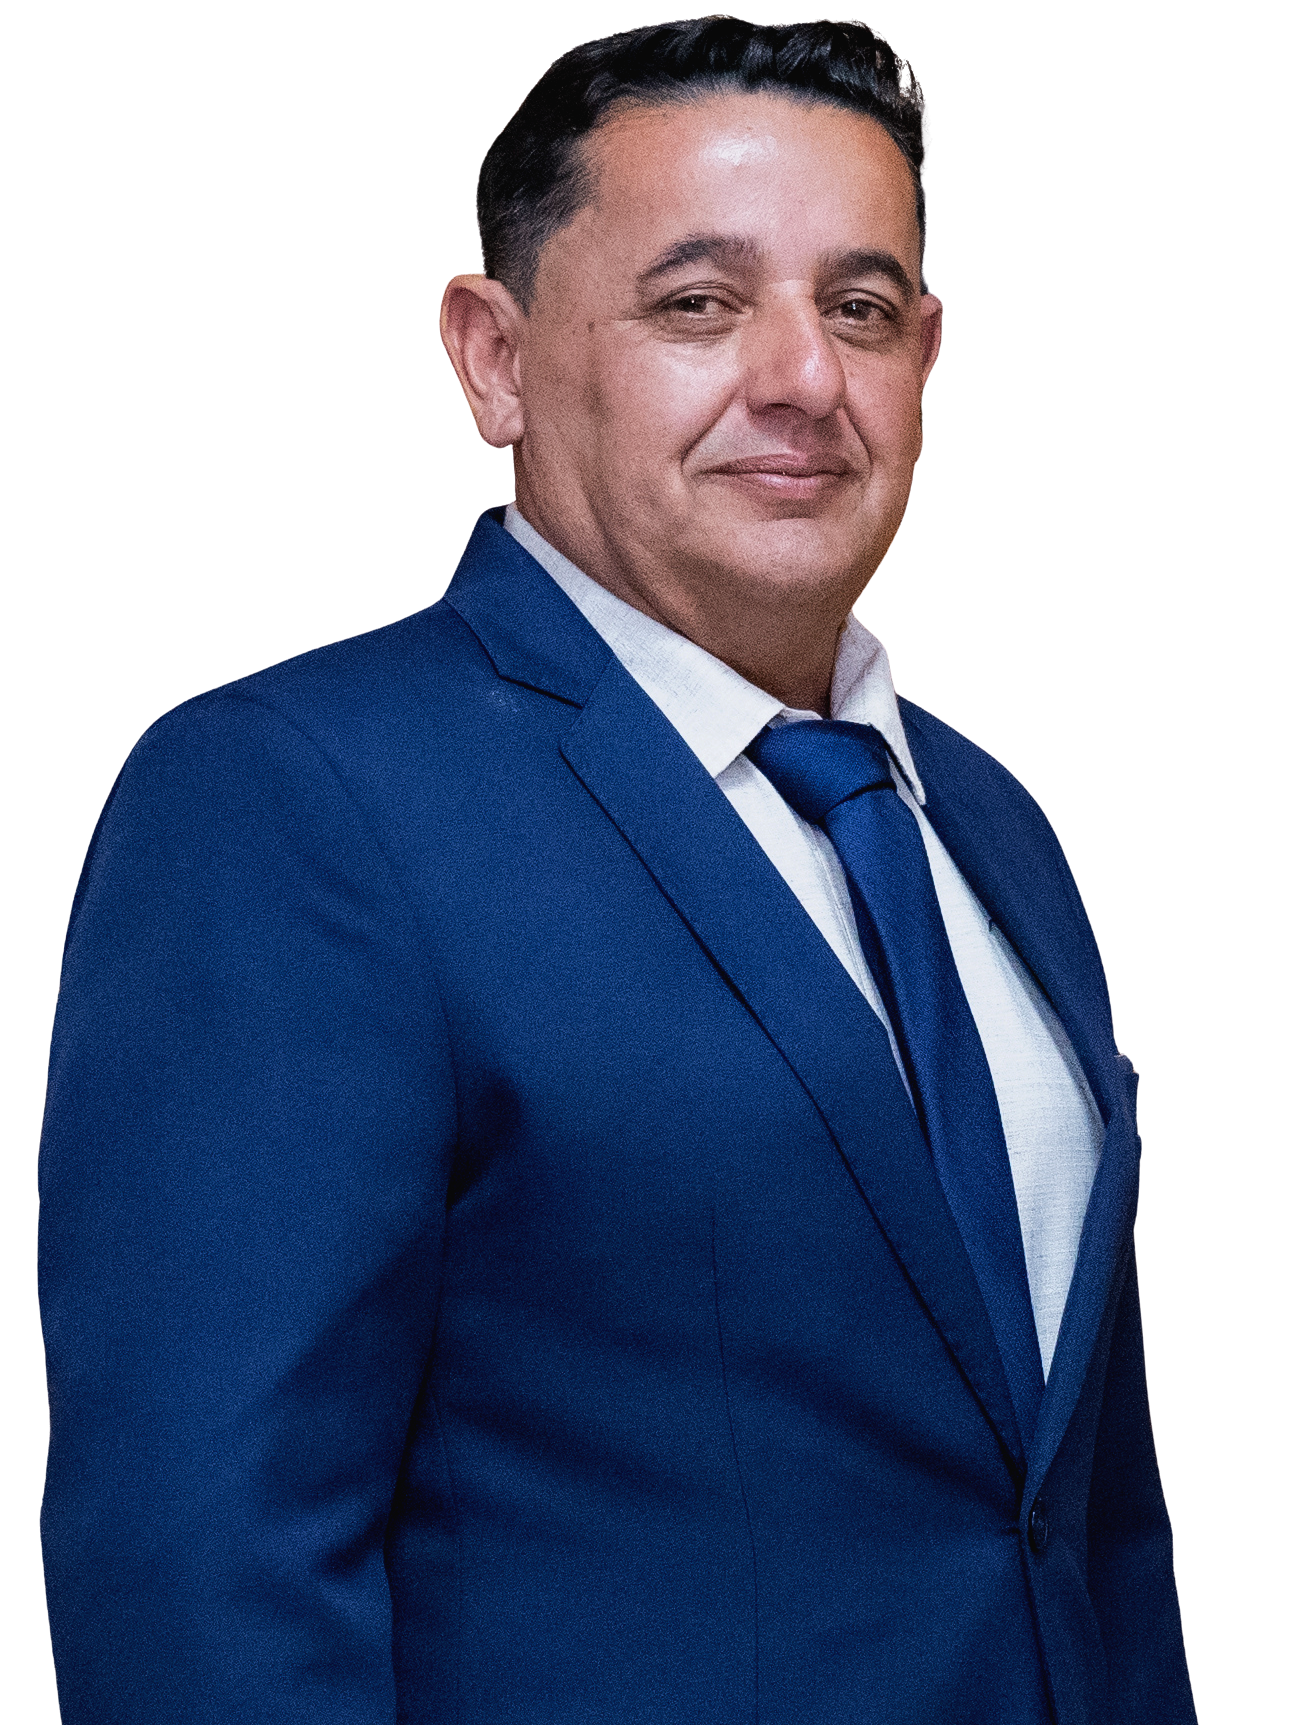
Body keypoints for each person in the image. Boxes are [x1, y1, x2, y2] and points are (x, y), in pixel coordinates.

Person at [38, 18, 1195, 1723]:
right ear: (492, 357)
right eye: (698, 303)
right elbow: (204, 1561)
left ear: (926, 358)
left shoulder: (989, 823)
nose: (802, 378)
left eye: (860, 309)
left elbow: (1085, 1530)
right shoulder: (293, 799)